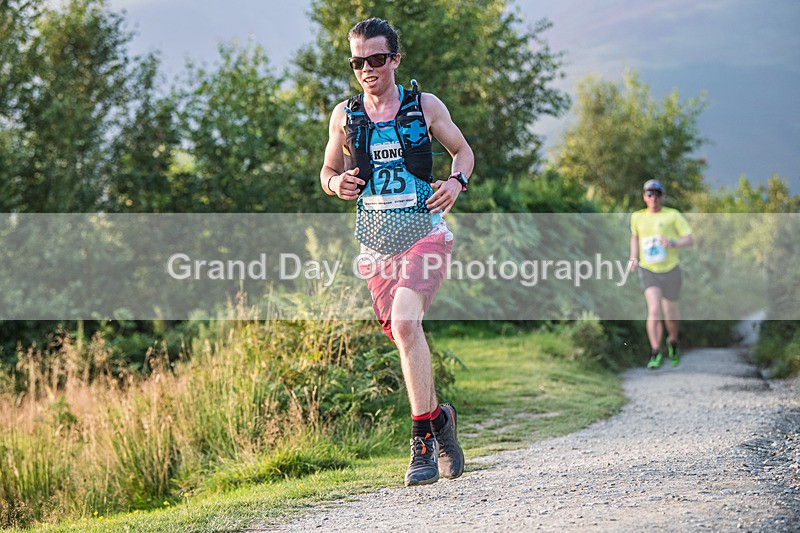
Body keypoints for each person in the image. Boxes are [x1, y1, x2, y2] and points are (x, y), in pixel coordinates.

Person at [320, 18, 474, 486]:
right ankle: (440, 420)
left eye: (377, 59)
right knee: (404, 338)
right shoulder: (344, 116)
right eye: (358, 61)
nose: (368, 68)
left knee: (408, 323)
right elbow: (327, 171)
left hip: (425, 232)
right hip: (376, 247)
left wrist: (454, 182)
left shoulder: (424, 106)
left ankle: (421, 444)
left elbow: (463, 152)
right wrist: (336, 184)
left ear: (395, 60)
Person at [629, 179, 694, 369]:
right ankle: (655, 352)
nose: (653, 198)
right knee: (654, 310)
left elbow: (690, 239)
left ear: (663, 196)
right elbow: (635, 237)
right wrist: (633, 257)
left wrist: (672, 243)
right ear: (644, 197)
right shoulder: (637, 217)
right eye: (649, 194)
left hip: (671, 269)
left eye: (657, 194)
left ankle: (672, 342)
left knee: (670, 314)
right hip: (648, 269)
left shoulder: (672, 215)